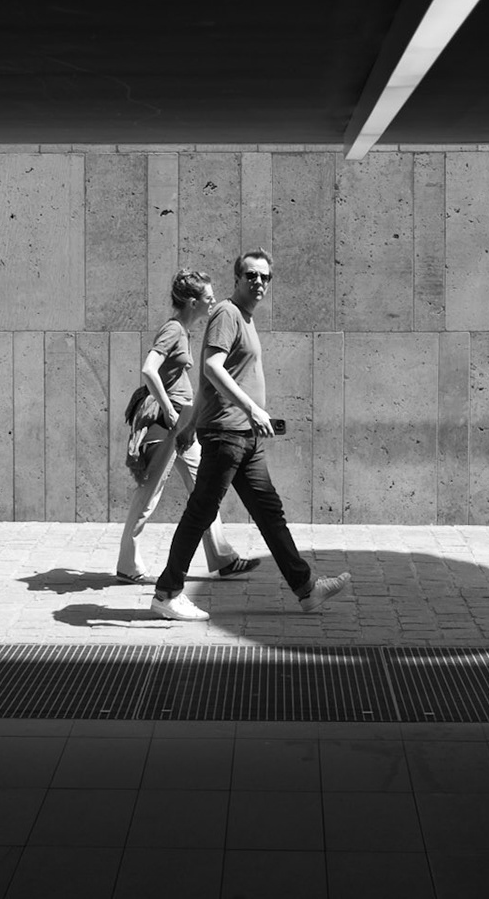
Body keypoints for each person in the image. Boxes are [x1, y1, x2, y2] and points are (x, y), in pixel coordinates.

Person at [151, 250, 351, 621]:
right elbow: (210, 368)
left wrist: (190, 426)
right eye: (251, 276)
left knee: (269, 513)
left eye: (265, 277)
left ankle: (306, 590)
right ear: (238, 279)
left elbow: (206, 387)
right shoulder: (227, 314)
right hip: (228, 435)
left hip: (245, 439)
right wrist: (252, 409)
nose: (258, 283)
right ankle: (167, 593)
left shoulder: (246, 318)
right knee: (201, 513)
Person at [115, 269, 260, 583]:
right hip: (170, 424)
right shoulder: (174, 330)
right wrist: (168, 408)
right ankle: (127, 564)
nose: (212, 303)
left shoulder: (183, 330)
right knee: (149, 494)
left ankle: (222, 557)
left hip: (183, 425)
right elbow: (148, 370)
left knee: (205, 489)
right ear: (193, 302)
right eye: (208, 298)